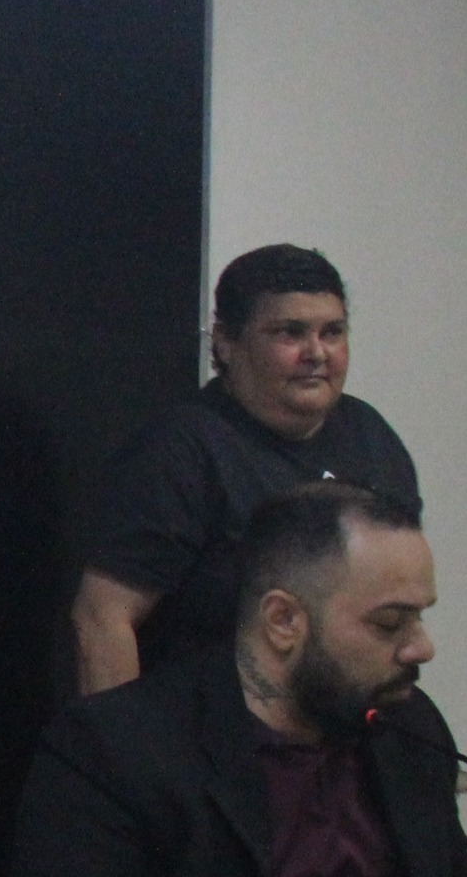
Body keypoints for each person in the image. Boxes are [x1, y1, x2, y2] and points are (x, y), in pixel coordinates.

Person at [7, 482, 467, 877]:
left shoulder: (406, 726)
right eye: (390, 623)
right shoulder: (120, 747)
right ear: (284, 621)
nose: (422, 648)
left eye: (421, 617)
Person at [73, 244, 420, 694]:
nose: (317, 353)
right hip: (206, 720)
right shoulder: (181, 450)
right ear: (226, 343)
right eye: (290, 333)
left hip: (344, 717)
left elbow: (400, 600)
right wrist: (120, 739)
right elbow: (103, 618)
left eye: (332, 332)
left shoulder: (372, 437)